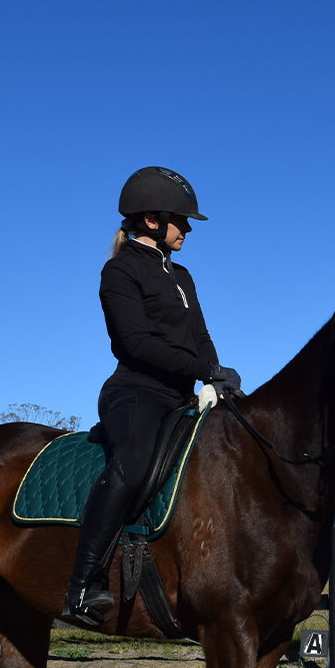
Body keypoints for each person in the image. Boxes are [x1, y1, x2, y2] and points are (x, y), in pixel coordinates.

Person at [62, 166, 242, 627]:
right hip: (136, 393)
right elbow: (135, 344)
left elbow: (201, 338)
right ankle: (83, 586)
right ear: (150, 220)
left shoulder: (182, 276)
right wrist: (205, 369)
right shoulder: (119, 271)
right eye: (181, 221)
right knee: (135, 462)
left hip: (183, 396)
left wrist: (216, 379)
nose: (186, 230)